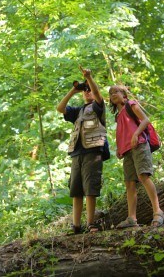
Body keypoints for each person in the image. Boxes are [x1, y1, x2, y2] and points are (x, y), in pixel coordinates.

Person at [57, 67, 107, 234]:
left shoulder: (98, 107)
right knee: (76, 190)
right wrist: (74, 89)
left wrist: (89, 78)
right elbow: (60, 108)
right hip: (77, 154)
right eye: (85, 91)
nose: (88, 93)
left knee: (90, 189)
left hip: (93, 152)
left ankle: (91, 223)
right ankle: (76, 226)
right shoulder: (77, 111)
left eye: (89, 90)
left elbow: (98, 95)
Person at [109, 85, 164, 228]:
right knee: (129, 183)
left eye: (116, 92)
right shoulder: (118, 115)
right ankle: (131, 218)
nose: (113, 94)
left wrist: (136, 134)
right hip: (127, 151)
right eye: (110, 93)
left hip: (139, 145)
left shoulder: (130, 105)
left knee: (143, 176)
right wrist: (119, 149)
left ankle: (158, 212)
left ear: (124, 95)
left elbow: (145, 120)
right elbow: (122, 133)